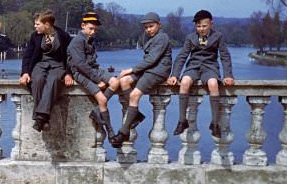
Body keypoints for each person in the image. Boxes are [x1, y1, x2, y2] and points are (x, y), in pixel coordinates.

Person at [167, 9, 234, 138]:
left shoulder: (217, 36)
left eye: (204, 26)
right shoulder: (190, 38)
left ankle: (215, 123)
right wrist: (174, 75)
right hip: (193, 66)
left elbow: (225, 56)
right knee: (185, 82)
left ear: (211, 24)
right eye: (198, 26)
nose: (201, 29)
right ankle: (182, 121)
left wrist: (228, 75)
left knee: (213, 84)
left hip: (210, 67)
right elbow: (182, 56)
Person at [110, 12, 172, 146]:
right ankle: (136, 114)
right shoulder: (151, 38)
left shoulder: (162, 37)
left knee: (135, 94)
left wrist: (131, 69)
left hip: (158, 71)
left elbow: (152, 59)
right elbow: (148, 61)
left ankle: (123, 131)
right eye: (146, 27)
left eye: (151, 26)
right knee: (124, 81)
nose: (148, 29)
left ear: (159, 25)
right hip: (148, 69)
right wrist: (130, 72)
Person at [66, 11, 120, 143]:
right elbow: (80, 65)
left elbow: (92, 64)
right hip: (80, 73)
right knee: (102, 99)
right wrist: (98, 80)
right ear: (82, 26)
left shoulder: (90, 40)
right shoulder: (77, 42)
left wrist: (100, 76)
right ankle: (110, 131)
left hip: (94, 69)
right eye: (90, 29)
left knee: (115, 82)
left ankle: (96, 111)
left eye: (95, 30)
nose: (93, 32)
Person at [19, 9, 74, 132]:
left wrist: (69, 74)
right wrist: (25, 73)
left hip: (58, 65)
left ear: (47, 25)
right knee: (37, 80)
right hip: (40, 64)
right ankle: (43, 118)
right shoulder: (35, 36)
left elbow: (71, 57)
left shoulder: (64, 36)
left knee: (53, 80)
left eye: (37, 24)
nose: (35, 26)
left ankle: (40, 118)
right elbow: (27, 55)